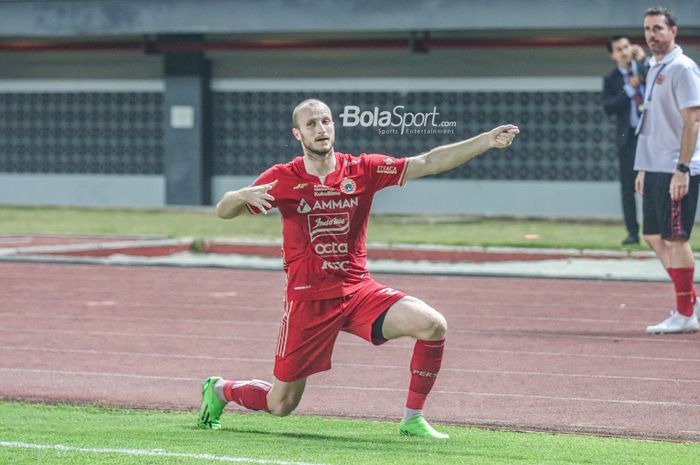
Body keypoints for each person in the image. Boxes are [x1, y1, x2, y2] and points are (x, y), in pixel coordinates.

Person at [198, 98, 519, 438]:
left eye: (325, 121)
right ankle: (220, 389)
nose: (321, 129)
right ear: (297, 134)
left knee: (432, 324)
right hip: (309, 299)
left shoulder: (363, 169)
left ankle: (412, 419)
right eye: (311, 124)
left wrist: (485, 140)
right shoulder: (282, 178)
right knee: (281, 404)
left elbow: (427, 161)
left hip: (357, 292)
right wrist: (238, 196)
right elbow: (223, 211)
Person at [634, 6, 700, 334]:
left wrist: (683, 168)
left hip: (676, 167)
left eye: (658, 28)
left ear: (674, 31)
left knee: (676, 238)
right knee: (652, 235)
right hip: (654, 166)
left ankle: (685, 313)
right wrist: (644, 167)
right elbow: (654, 121)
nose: (651, 35)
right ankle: (689, 299)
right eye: (647, 29)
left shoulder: (683, 68)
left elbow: (693, 120)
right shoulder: (653, 66)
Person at [603, 36, 648, 245]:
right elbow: (608, 107)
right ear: (613, 55)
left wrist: (644, 61)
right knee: (628, 188)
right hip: (628, 137)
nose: (624, 52)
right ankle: (632, 233)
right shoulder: (611, 79)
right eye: (618, 49)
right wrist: (629, 89)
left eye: (626, 47)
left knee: (653, 184)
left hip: (650, 134)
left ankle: (654, 230)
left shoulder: (646, 68)